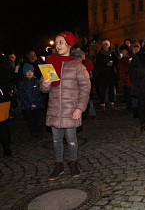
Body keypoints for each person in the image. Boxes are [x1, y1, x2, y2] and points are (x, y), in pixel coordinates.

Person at [41, 31, 91, 181]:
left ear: (69, 45)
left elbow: (85, 87)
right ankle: (58, 164)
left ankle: (73, 162)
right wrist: (44, 84)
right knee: (56, 139)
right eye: (56, 43)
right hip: (55, 109)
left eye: (61, 42)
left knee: (71, 138)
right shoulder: (51, 63)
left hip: (71, 109)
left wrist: (80, 108)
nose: (58, 45)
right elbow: (44, 89)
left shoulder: (77, 65)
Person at [17, 63, 43, 138]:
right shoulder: (22, 83)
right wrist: (28, 104)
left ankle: (39, 131)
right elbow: (21, 95)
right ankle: (33, 132)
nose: (29, 73)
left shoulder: (37, 82)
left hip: (37, 106)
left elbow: (40, 93)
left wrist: (36, 103)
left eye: (31, 71)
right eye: (27, 71)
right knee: (30, 120)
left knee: (38, 119)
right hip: (27, 107)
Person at [95, 40, 118, 110]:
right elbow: (98, 63)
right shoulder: (99, 53)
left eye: (106, 44)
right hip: (103, 74)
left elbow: (116, 61)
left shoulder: (113, 52)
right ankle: (102, 103)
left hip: (111, 73)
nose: (105, 45)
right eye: (104, 44)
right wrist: (105, 64)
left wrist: (113, 63)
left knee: (111, 88)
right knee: (103, 89)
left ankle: (111, 102)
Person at [0, 53, 15, 157]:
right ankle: (6, 147)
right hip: (4, 97)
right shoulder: (5, 61)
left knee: (2, 124)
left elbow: (9, 78)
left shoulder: (3, 62)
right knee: (2, 124)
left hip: (2, 98)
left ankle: (6, 147)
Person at [117, 45, 132, 112]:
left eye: (123, 51)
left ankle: (131, 107)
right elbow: (119, 66)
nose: (122, 52)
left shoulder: (130, 58)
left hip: (128, 79)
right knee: (126, 93)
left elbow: (129, 67)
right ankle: (129, 107)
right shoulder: (122, 58)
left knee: (129, 93)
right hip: (123, 79)